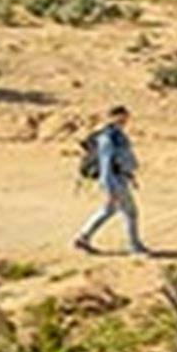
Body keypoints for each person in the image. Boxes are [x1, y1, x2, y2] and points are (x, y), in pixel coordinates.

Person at [74, 104, 149, 256]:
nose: (126, 120)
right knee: (130, 212)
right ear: (115, 116)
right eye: (123, 116)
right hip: (114, 181)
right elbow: (106, 162)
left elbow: (121, 159)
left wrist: (130, 176)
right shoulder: (107, 137)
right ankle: (134, 247)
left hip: (119, 178)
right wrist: (109, 185)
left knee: (109, 210)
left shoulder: (117, 135)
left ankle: (83, 237)